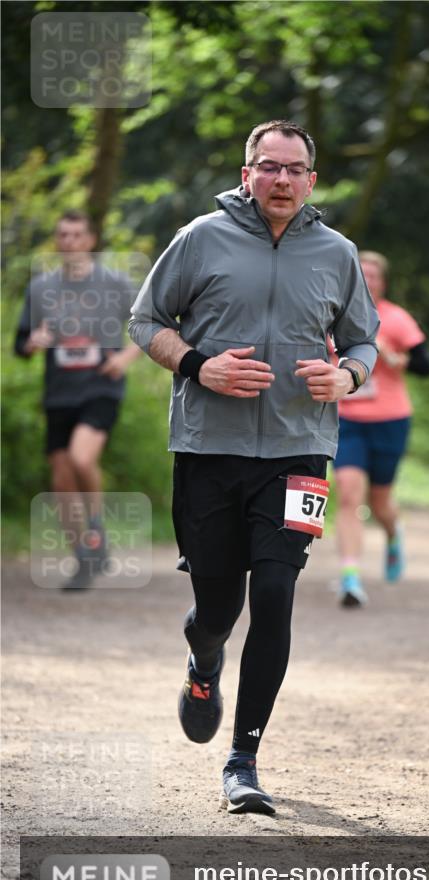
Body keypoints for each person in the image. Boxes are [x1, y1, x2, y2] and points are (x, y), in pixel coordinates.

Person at [128, 120, 378, 815]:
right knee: (218, 607)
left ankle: (244, 760)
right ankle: (204, 661)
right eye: (268, 167)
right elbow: (146, 321)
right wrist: (197, 364)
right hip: (210, 449)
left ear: (311, 181)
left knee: (275, 592)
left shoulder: (336, 253)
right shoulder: (198, 239)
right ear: (247, 174)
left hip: (301, 451)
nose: (281, 180)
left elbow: (364, 339)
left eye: (294, 170)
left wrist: (348, 378)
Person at [14, 210, 141, 589]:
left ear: (90, 240)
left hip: (100, 387)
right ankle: (85, 556)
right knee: (60, 478)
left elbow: (148, 325)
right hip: (59, 393)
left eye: (76, 235)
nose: (68, 242)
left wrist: (123, 358)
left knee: (81, 457)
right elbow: (20, 344)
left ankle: (97, 528)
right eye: (62, 236)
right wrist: (33, 342)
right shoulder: (41, 288)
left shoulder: (115, 283)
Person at [333, 251, 429, 607]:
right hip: (345, 419)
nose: (366, 279)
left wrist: (393, 357)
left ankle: (393, 533)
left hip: (390, 420)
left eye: (373, 275)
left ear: (382, 282)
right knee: (348, 494)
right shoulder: (331, 314)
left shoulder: (395, 318)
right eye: (360, 274)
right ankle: (350, 578)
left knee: (379, 503)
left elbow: (425, 365)